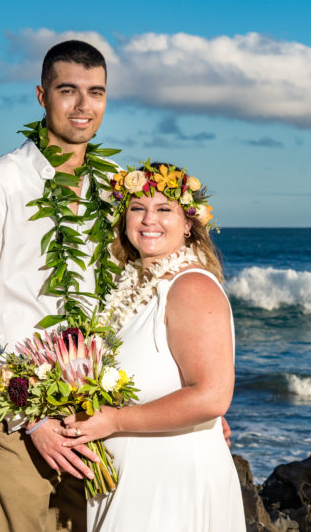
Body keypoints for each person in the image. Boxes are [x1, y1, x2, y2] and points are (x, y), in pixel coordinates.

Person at [0, 39, 109, 532]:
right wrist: (34, 420)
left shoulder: (114, 190)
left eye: (96, 92)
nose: (83, 105)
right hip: (18, 423)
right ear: (42, 97)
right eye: (69, 90)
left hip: (96, 419)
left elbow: (137, 300)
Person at [58, 162, 246, 531]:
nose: (149, 220)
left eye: (164, 209)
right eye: (138, 208)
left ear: (189, 223)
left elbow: (212, 398)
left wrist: (113, 420)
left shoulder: (191, 287)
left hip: (171, 486)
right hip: (133, 482)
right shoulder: (133, 285)